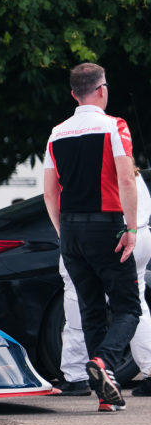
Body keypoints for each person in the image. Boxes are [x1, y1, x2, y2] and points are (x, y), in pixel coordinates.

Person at [44, 62, 140, 412]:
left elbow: (49, 193)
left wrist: (62, 232)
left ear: (73, 93)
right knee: (128, 307)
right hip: (107, 225)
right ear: (102, 89)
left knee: (91, 311)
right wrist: (131, 229)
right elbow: (127, 181)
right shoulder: (115, 125)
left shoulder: (57, 132)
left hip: (70, 229)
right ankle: (104, 362)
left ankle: (105, 396)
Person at [56, 160, 151, 396]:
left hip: (104, 236)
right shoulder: (135, 176)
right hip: (140, 236)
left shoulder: (88, 175)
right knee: (135, 306)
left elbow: (57, 201)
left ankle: (78, 375)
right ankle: (150, 370)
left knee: (80, 302)